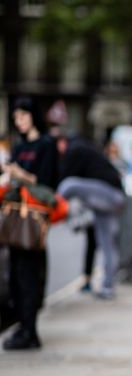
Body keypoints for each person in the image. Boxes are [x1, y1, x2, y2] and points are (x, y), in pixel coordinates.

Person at [2, 96, 59, 350]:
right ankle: (22, 327)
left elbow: (47, 182)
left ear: (33, 115)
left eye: (23, 116)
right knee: (14, 275)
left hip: (34, 219)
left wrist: (18, 174)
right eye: (16, 117)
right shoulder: (18, 146)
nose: (19, 121)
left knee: (29, 275)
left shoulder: (46, 145)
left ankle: (30, 330)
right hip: (15, 216)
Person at [57, 137, 125, 299]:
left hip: (109, 195)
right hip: (112, 198)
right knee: (107, 244)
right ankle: (107, 287)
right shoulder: (88, 152)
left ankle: (54, 208)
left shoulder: (75, 150)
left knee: (68, 185)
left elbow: (65, 176)